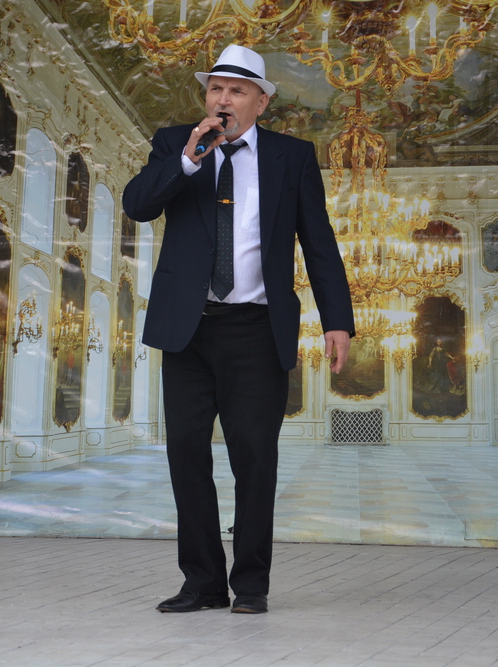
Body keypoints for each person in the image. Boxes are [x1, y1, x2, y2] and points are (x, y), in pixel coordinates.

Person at [122, 44, 356, 614]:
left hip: (256, 329)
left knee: (254, 458)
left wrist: (337, 321)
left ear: (261, 102)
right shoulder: (175, 142)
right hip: (188, 329)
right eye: (215, 89)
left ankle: (250, 585)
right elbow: (137, 205)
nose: (222, 99)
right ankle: (201, 583)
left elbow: (318, 242)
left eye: (236, 90)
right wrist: (187, 160)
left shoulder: (291, 157)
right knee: (186, 455)